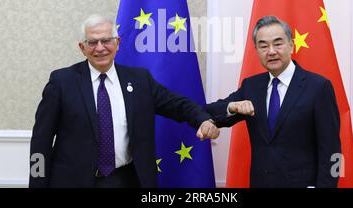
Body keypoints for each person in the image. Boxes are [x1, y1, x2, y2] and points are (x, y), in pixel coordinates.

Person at [29, 14, 219, 188]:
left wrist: (203, 119)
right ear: (82, 48)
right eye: (92, 42)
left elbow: (178, 105)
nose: (100, 48)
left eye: (106, 41)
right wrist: (37, 185)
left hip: (126, 180)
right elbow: (41, 141)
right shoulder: (62, 82)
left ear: (117, 43)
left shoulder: (139, 80)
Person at [206, 15, 341, 188]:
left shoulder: (319, 87)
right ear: (256, 50)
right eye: (263, 46)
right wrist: (231, 106)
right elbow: (209, 111)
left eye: (278, 43)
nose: (271, 51)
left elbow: (333, 152)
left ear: (291, 45)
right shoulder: (251, 86)